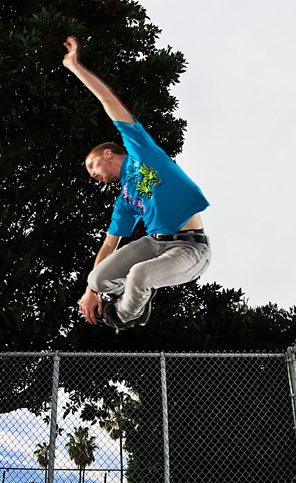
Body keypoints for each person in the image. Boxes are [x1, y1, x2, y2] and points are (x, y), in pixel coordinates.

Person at [62, 36, 211, 330]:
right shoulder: (125, 200)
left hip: (190, 249)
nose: (92, 174)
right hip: (154, 244)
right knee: (97, 278)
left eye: (92, 165)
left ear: (108, 153)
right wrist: (91, 290)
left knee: (140, 275)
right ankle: (129, 292)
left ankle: (126, 314)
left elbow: (108, 100)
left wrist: (74, 66)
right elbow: (109, 244)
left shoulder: (141, 151)